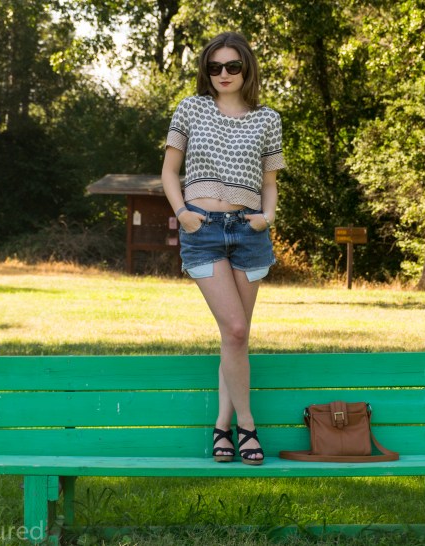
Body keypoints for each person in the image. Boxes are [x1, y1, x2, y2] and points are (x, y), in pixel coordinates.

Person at [161, 32, 285, 465]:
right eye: (215, 67)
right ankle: (247, 426)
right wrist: (183, 213)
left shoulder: (268, 118)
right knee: (234, 330)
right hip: (203, 231)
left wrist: (266, 218)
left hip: (249, 233)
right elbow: (169, 171)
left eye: (232, 66)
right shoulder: (191, 108)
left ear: (247, 68)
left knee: (236, 338)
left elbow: (270, 183)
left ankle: (221, 429)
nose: (224, 74)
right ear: (206, 72)